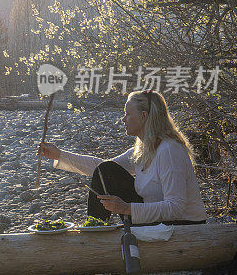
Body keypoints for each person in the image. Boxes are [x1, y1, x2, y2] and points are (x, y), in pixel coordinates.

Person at [38, 90, 206, 225]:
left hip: (184, 225)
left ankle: (95, 240)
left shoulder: (169, 150)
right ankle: (95, 230)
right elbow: (102, 168)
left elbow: (175, 208)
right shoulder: (143, 149)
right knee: (106, 170)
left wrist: (127, 209)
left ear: (144, 117)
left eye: (127, 114)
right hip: (158, 221)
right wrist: (59, 155)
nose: (123, 119)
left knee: (107, 172)